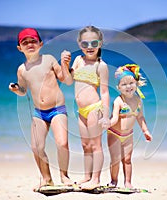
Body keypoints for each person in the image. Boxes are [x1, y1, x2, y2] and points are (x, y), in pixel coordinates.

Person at [8, 28, 73, 191]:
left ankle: (64, 176)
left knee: (62, 143)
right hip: (39, 113)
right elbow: (23, 91)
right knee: (37, 147)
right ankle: (47, 178)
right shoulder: (21, 69)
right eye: (25, 42)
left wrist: (65, 65)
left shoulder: (49, 60)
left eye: (33, 41)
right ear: (19, 48)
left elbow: (66, 80)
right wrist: (17, 90)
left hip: (57, 108)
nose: (29, 44)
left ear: (41, 44)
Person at [62, 26, 110, 189]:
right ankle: (87, 176)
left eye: (94, 43)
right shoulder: (78, 60)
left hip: (94, 108)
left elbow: (104, 92)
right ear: (79, 44)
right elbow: (68, 81)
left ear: (100, 43)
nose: (89, 47)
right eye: (85, 43)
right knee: (85, 145)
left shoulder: (100, 65)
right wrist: (64, 64)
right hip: (81, 111)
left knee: (96, 145)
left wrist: (105, 115)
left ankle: (95, 179)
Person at [107, 64, 152, 189]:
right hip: (114, 134)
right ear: (118, 87)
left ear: (136, 84)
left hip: (128, 136)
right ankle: (113, 181)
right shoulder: (118, 101)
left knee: (127, 160)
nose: (128, 87)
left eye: (131, 83)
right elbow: (115, 117)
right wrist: (108, 124)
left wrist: (146, 131)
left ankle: (128, 182)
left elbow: (140, 117)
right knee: (115, 160)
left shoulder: (138, 100)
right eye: (124, 84)